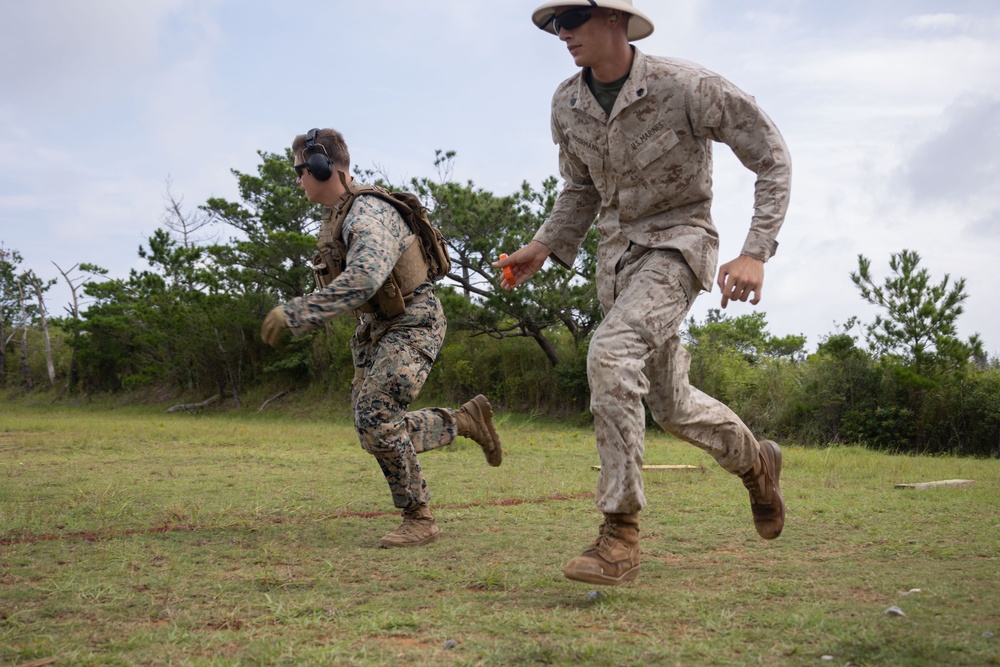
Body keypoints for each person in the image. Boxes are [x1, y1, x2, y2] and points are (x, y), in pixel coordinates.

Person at [496, 1, 791, 585]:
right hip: (616, 263)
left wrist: (755, 250)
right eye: (554, 25)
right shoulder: (567, 103)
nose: (562, 33)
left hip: (678, 249)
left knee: (609, 356)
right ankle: (757, 463)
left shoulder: (687, 87)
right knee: (671, 403)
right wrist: (543, 245)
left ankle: (619, 534)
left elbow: (772, 158)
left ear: (614, 19)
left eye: (572, 19)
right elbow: (579, 188)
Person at [261, 127, 504, 548]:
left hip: (414, 322)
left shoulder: (366, 212)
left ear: (323, 166)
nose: (298, 178)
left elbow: (365, 278)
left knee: (375, 418)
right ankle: (464, 420)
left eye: (301, 170)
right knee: (373, 426)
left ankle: (419, 517)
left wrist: (300, 311)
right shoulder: (338, 216)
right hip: (376, 328)